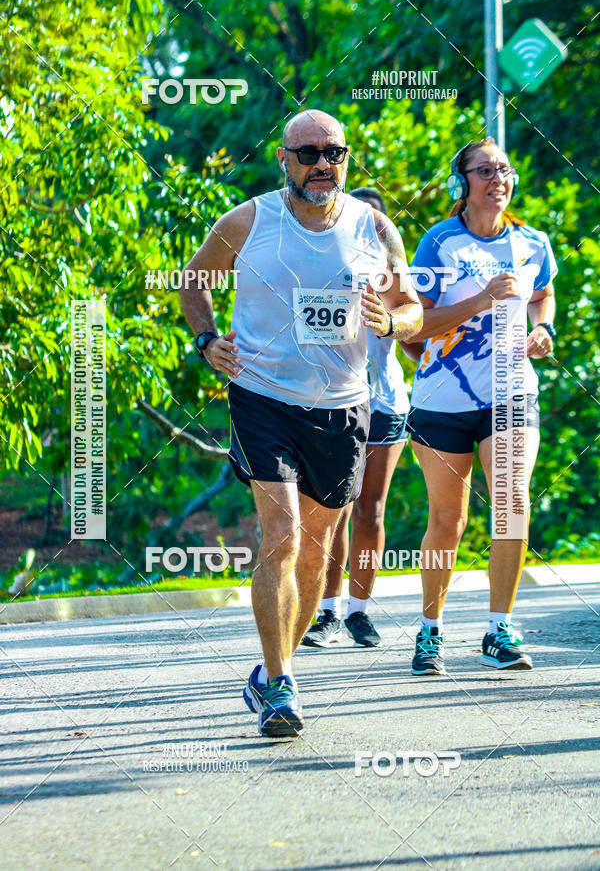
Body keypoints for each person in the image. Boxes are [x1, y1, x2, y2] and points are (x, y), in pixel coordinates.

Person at [180, 110, 423, 736]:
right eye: (309, 153)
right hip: (262, 397)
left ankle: (269, 672)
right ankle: (282, 684)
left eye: (333, 152)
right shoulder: (248, 221)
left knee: (316, 551)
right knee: (283, 535)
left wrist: (392, 322)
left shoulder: (374, 226)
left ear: (345, 158)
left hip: (343, 406)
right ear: (283, 159)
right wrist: (207, 340)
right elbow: (192, 282)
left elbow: (413, 308)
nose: (322, 164)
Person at [405, 136, 557, 675]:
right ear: (461, 182)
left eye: (504, 169)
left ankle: (499, 629)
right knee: (448, 520)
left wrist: (544, 329)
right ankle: (430, 631)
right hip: (442, 397)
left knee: (512, 504)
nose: (498, 179)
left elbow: (541, 294)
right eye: (485, 170)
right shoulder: (439, 242)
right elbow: (414, 326)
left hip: (512, 391)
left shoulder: (533, 241)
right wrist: (481, 299)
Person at [301, 188, 410, 648]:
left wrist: (392, 317)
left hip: (385, 401)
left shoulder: (395, 274)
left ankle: (359, 612)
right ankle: (327, 612)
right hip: (334, 401)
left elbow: (414, 335)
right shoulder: (323, 264)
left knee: (371, 510)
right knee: (335, 510)